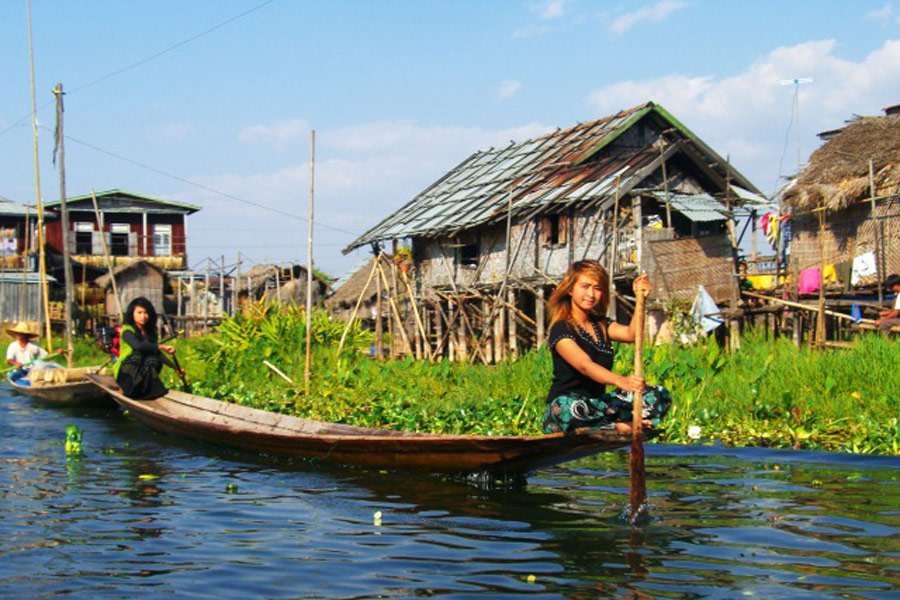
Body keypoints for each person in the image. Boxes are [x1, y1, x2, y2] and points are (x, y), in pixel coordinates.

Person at [543, 260, 671, 435]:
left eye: (597, 288)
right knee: (568, 408)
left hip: (598, 405)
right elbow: (584, 365)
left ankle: (613, 423)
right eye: (585, 286)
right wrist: (620, 380)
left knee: (658, 394)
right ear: (571, 290)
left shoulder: (601, 325)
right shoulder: (561, 328)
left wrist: (641, 300)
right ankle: (616, 427)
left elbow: (632, 335)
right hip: (568, 407)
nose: (591, 294)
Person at [114, 297, 184, 399]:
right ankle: (125, 387)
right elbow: (138, 346)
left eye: (146, 313)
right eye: (139, 312)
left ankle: (146, 390)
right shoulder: (127, 330)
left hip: (142, 373)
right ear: (132, 313)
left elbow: (157, 353)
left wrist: (175, 368)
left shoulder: (150, 333)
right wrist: (162, 346)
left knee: (153, 359)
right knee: (137, 356)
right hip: (126, 373)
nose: (143, 316)